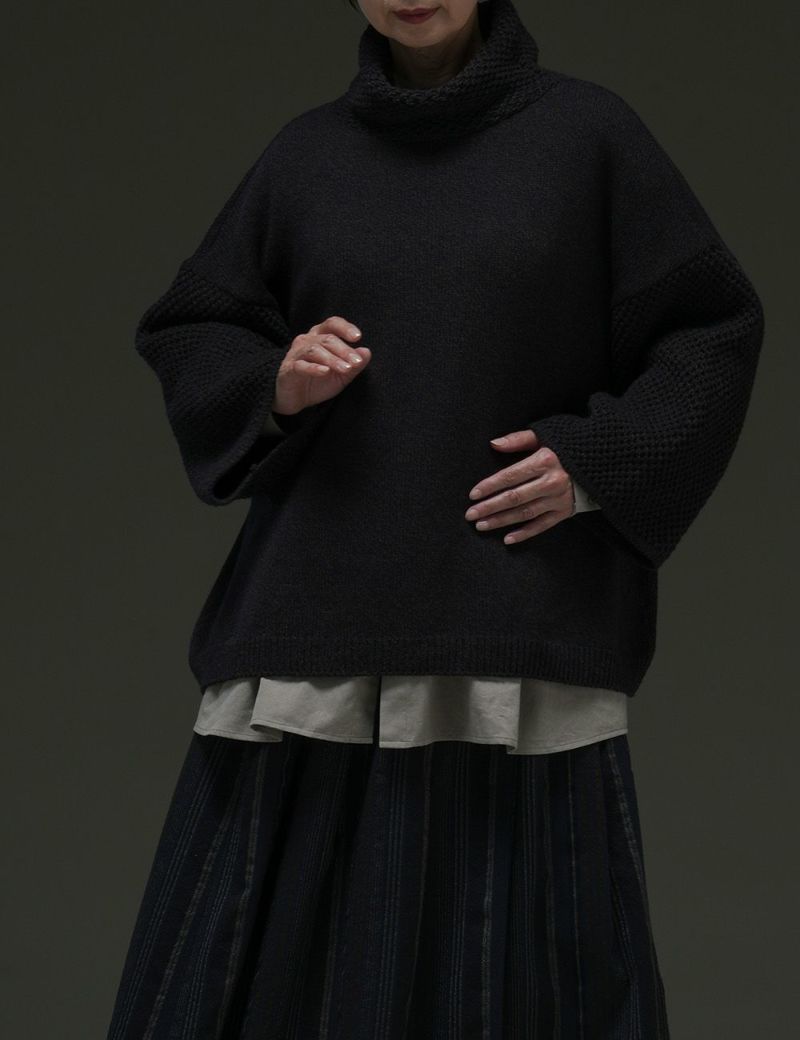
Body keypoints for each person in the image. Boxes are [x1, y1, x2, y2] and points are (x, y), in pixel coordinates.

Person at [105, 1, 764, 1037]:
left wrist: (597, 461)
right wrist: (274, 379)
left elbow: (711, 331)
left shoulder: (589, 137)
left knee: (524, 992)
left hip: (514, 634)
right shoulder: (304, 157)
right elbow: (194, 327)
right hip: (310, 637)